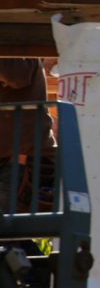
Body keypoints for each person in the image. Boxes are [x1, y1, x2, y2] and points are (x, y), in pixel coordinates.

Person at [0, 58, 54, 213]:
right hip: (10, 160)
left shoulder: (19, 48)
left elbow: (17, 75)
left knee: (9, 231)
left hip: (19, 161)